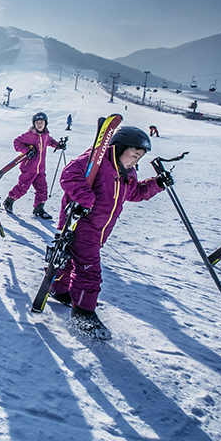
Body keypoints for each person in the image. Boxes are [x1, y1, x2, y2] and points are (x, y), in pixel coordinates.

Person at [49, 126, 168, 339]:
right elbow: (69, 175)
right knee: (89, 272)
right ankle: (83, 314)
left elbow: (135, 193)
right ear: (119, 147)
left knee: (72, 262)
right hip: (81, 225)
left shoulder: (128, 173)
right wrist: (86, 199)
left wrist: (156, 184)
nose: (135, 161)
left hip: (100, 230)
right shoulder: (97, 160)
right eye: (133, 155)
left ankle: (58, 288)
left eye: (139, 157)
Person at [3, 112, 65, 219]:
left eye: (42, 122)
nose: (39, 124)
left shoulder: (46, 136)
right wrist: (26, 150)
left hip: (40, 169)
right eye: (37, 122)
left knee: (42, 189)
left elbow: (51, 141)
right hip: (29, 168)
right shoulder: (29, 135)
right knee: (22, 188)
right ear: (34, 123)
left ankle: (39, 209)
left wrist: (59, 145)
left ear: (46, 123)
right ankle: (9, 200)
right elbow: (17, 142)